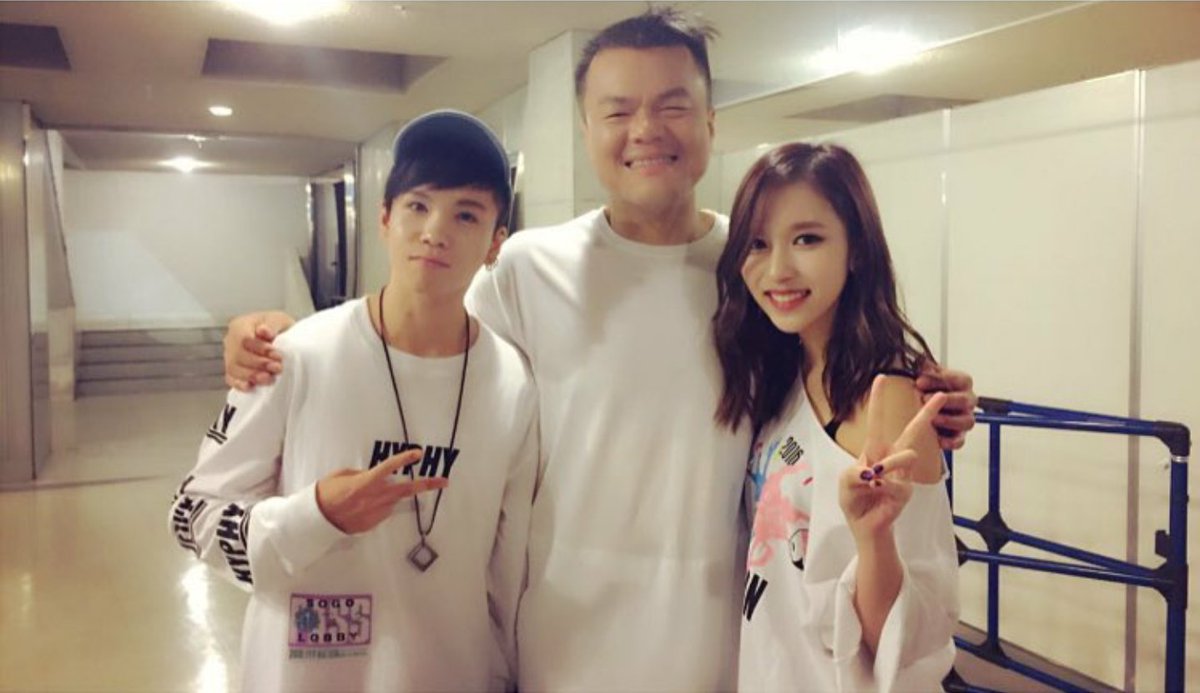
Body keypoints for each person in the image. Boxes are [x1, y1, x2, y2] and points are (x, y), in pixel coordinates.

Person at [220, 9, 976, 690]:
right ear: (587, 131)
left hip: (722, 645)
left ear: (710, 122)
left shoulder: (747, 266)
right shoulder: (528, 268)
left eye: (672, 106)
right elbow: (426, 350)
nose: (645, 130)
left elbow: (822, 385)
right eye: (618, 110)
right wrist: (278, 336)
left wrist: (921, 393)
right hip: (559, 641)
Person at [169, 110, 538, 692]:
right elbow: (193, 515)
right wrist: (314, 515)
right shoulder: (295, 355)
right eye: (417, 205)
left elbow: (508, 564)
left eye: (466, 214)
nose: (434, 231)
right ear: (385, 219)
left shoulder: (512, 382)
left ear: (496, 243)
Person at [714, 142, 958, 691]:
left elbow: (901, 640)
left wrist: (874, 541)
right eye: (757, 244)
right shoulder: (785, 371)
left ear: (857, 250)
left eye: (807, 239)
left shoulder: (887, 397)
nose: (777, 269)